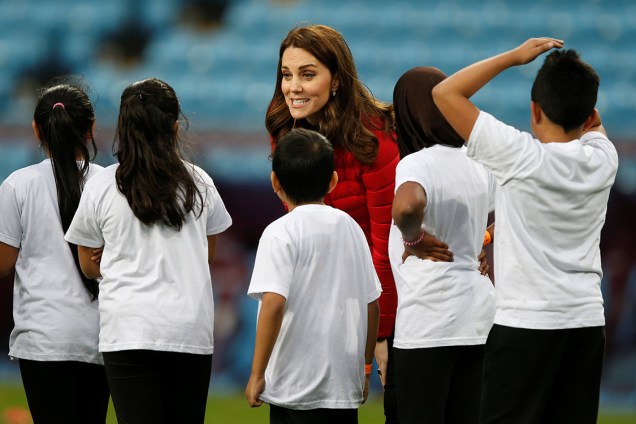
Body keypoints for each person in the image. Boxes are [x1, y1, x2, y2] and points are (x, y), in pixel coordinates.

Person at [265, 25, 452, 422]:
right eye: (286, 74)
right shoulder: (284, 128)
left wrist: (380, 335)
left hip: (391, 299)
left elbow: (386, 246)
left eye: (307, 74)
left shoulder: (375, 138)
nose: (293, 87)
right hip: (325, 300)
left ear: (336, 80)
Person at [433, 39, 619, 423]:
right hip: (585, 324)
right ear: (588, 115)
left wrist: (514, 57)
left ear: (535, 111)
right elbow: (591, 122)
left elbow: (444, 92)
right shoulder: (604, 158)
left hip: (526, 327)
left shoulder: (519, 155)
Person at [64, 77, 232, 423]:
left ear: (123, 128)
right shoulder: (199, 182)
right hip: (188, 332)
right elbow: (207, 253)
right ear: (174, 127)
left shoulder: (101, 185)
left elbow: (88, 265)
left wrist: (107, 258)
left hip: (127, 331)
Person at [245, 128, 381, 424]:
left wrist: (257, 374)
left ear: (275, 182)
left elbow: (273, 303)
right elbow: (372, 305)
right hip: (342, 386)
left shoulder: (279, 232)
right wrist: (366, 367)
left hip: (293, 387)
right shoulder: (351, 227)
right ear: (333, 180)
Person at [389, 67, 496, 424]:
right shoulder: (478, 160)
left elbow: (406, 206)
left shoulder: (416, 163)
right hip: (479, 319)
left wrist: (414, 238)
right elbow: (511, 211)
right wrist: (486, 239)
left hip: (429, 321)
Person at [0, 82, 110, 423]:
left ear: (37, 129)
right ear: (91, 128)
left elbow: (3, 264)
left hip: (43, 336)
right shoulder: (110, 183)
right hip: (101, 335)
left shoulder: (18, 184)